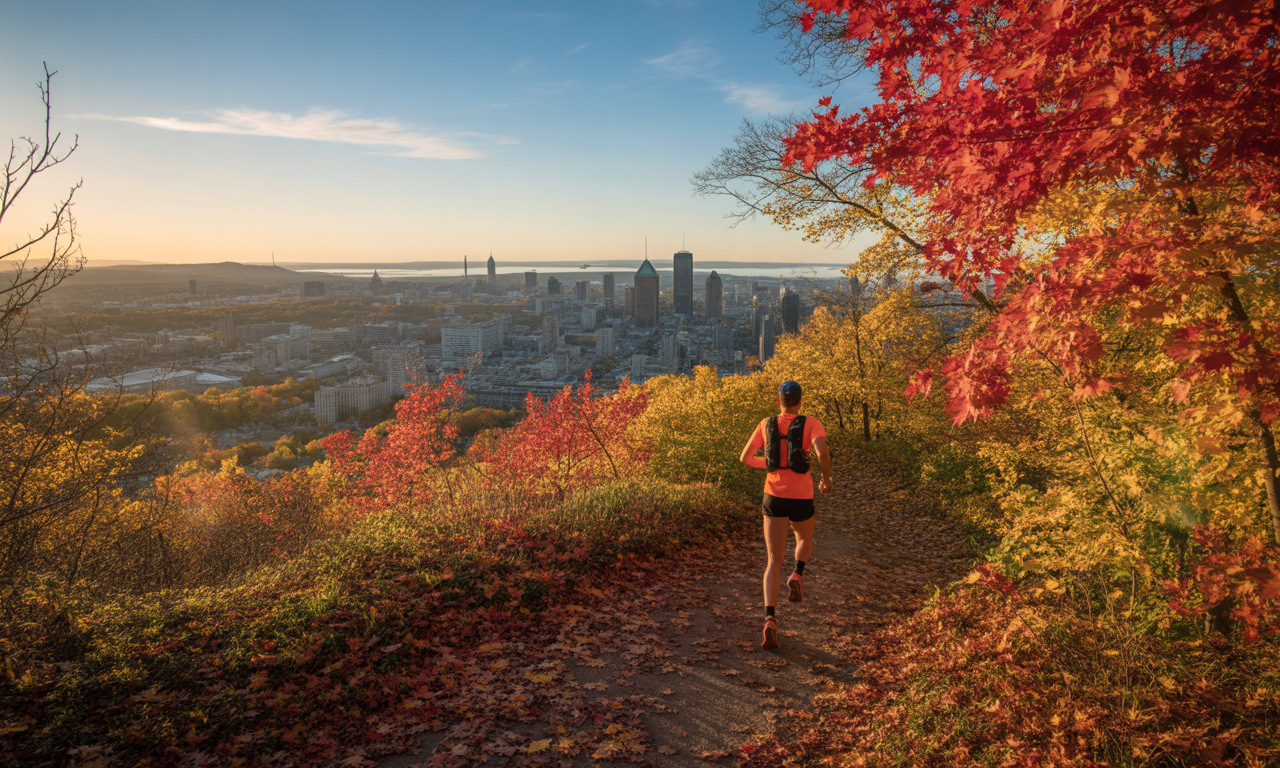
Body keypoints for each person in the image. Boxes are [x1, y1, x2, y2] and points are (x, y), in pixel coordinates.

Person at [739, 380, 832, 649]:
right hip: (801, 496)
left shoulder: (765, 423)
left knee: (772, 560)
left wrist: (769, 465)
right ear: (800, 401)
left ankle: (769, 619)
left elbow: (745, 458)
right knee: (805, 539)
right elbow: (822, 451)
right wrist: (826, 479)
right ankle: (798, 574)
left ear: (778, 401)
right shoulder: (811, 423)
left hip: (773, 497)